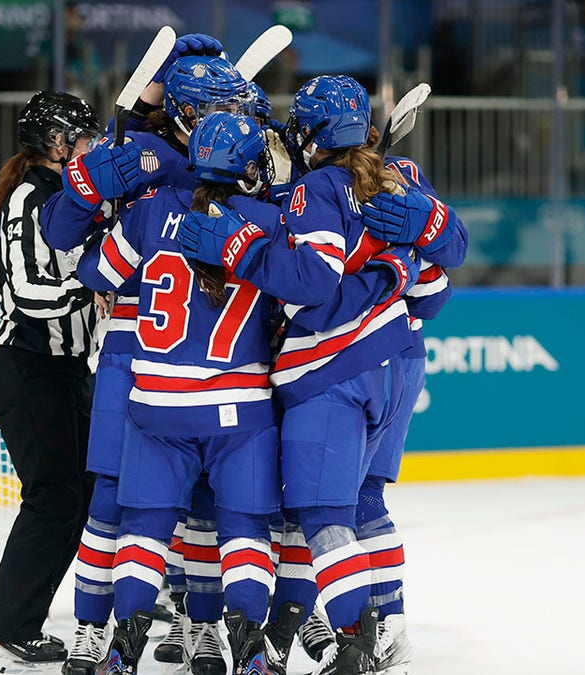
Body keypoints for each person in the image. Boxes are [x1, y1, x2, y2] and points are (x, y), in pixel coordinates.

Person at [178, 75, 438, 675]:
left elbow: (316, 286)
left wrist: (241, 248)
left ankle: (353, 640)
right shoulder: (401, 180)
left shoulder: (313, 189)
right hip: (398, 359)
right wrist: (392, 275)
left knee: (319, 517)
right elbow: (435, 284)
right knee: (363, 498)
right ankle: (391, 629)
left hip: (332, 370)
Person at [76, 111, 285, 675]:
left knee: (142, 530)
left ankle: (123, 645)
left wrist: (112, 214)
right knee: (242, 530)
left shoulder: (148, 212)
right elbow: (298, 297)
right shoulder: (269, 220)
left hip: (154, 404)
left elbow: (96, 274)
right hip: (238, 410)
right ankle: (248, 646)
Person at [0, 90, 100, 672]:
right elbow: (28, 295)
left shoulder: (68, 194)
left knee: (86, 497)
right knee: (54, 500)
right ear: (56, 143)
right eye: (82, 136)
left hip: (67, 371)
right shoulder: (29, 195)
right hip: (29, 372)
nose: (92, 145)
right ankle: (7, 631)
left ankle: (18, 619)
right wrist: (97, 286)